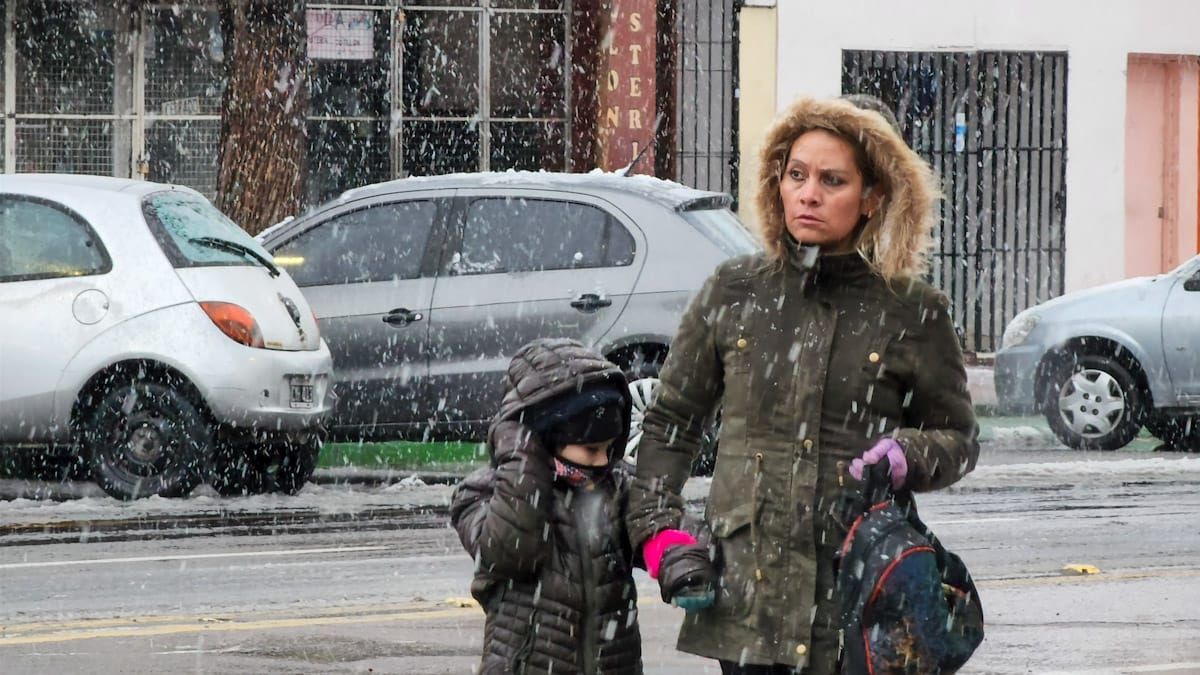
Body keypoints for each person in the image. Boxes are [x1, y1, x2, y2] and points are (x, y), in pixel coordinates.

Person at [625, 95, 980, 674]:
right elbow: (671, 423)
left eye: (832, 180)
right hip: (746, 598)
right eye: (797, 175)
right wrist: (659, 532)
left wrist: (905, 456)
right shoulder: (734, 290)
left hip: (860, 594)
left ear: (872, 198)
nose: (809, 193)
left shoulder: (911, 311)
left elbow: (958, 438)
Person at [449, 337, 642, 675]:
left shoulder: (617, 489)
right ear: (547, 437)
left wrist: (682, 559)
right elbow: (510, 552)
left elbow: (661, 527)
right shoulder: (483, 492)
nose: (603, 461)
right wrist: (521, 455)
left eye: (610, 449)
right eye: (591, 449)